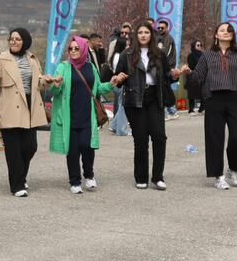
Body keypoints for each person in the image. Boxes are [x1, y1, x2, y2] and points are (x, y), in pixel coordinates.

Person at [182, 23, 237, 189]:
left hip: (236, 98)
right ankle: (218, 175)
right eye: (222, 30)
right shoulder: (207, 55)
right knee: (215, 138)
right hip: (214, 99)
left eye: (229, 30)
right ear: (216, 35)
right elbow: (198, 77)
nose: (226, 32)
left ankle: (233, 169)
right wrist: (188, 74)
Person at [108, 22, 179, 190]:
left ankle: (158, 177)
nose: (143, 35)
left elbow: (167, 76)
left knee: (159, 137)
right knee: (140, 140)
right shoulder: (127, 54)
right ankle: (141, 177)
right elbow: (118, 77)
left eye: (146, 32)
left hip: (155, 97)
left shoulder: (159, 54)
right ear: (135, 35)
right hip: (135, 99)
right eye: (140, 32)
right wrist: (118, 79)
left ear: (151, 35)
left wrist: (175, 75)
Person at [0, 28, 50, 197]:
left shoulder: (32, 59)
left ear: (25, 41)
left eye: (17, 39)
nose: (13, 41)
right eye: (11, 39)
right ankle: (17, 185)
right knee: (13, 150)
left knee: (30, 147)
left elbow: (38, 80)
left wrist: (47, 81)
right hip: (10, 109)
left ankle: (20, 176)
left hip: (30, 107)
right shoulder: (1, 58)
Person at [48, 36, 114, 195]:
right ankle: (75, 181)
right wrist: (55, 86)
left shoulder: (91, 67)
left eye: (76, 48)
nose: (73, 51)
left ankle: (89, 175)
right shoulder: (63, 67)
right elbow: (55, 91)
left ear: (84, 49)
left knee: (87, 146)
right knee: (72, 151)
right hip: (68, 116)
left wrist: (112, 83)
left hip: (87, 116)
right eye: (70, 49)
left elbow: (98, 89)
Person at [108, 22, 133, 136]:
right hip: (121, 83)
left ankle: (114, 125)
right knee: (123, 106)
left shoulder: (115, 55)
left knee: (121, 106)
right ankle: (121, 129)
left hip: (117, 82)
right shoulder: (122, 56)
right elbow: (121, 70)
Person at [184, 39, 204, 115]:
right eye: (198, 45)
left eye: (200, 45)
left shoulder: (203, 54)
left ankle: (201, 109)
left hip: (202, 76)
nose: (200, 47)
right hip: (193, 76)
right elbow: (191, 65)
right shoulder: (191, 55)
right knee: (192, 94)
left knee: (202, 93)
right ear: (194, 46)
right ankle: (191, 109)